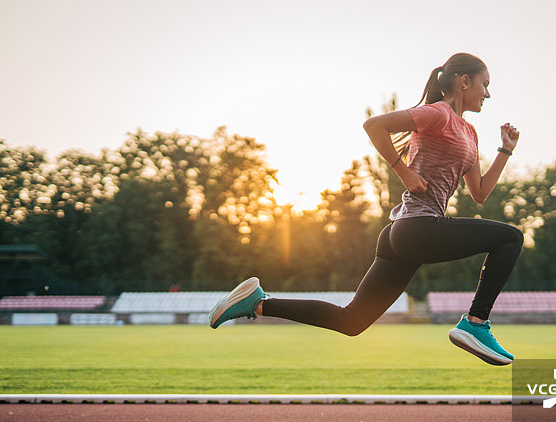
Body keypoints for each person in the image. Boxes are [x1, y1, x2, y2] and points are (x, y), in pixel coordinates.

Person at [208, 53, 523, 366]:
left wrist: (505, 150)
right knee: (510, 238)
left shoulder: (469, 133)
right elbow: (375, 125)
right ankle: (476, 322)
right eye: (485, 84)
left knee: (352, 320)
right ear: (465, 81)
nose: (488, 94)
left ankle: (258, 303)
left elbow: (479, 192)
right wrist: (403, 172)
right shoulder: (437, 114)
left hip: (403, 236)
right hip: (418, 227)